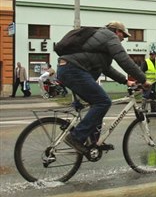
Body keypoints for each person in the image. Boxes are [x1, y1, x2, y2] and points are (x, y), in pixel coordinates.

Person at [57, 21, 150, 154]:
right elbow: (124, 60)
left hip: (68, 69)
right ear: (117, 31)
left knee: (97, 104)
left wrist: (125, 81)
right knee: (103, 102)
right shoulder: (109, 37)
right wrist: (143, 79)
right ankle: (76, 138)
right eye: (124, 35)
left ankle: (93, 142)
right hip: (73, 70)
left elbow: (106, 69)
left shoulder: (100, 42)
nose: (124, 39)